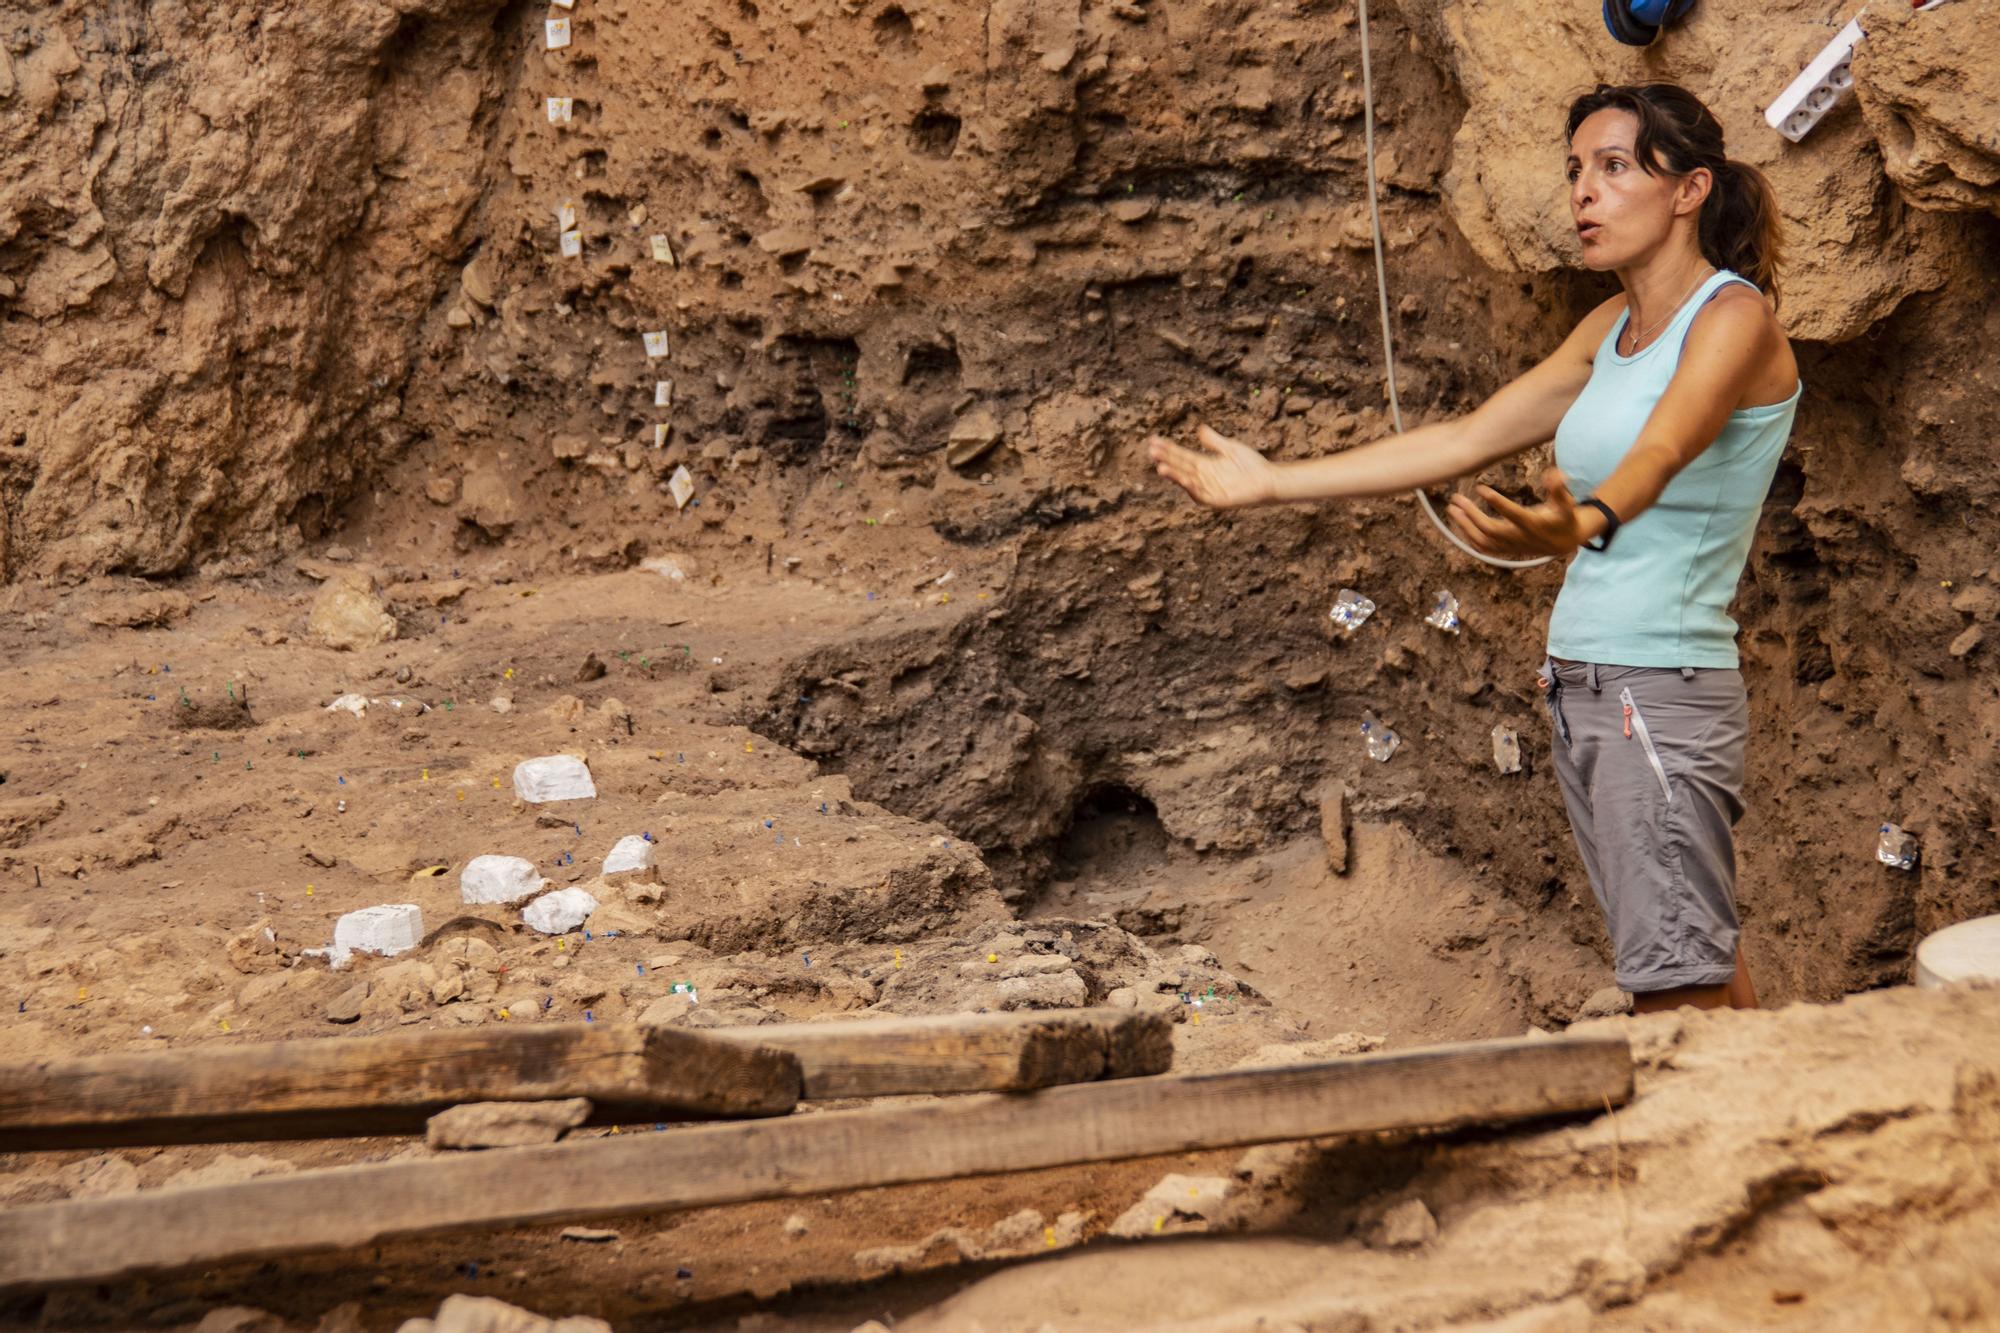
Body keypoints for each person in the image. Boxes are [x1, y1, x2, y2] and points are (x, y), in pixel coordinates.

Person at [1145, 82, 1800, 1015]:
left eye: (1614, 167)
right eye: (1576, 169)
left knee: (1674, 986)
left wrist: (1586, 520)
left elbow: (1666, 446)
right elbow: (1464, 438)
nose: (1583, 191)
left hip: (1655, 688)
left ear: (1690, 189)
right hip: (1589, 687)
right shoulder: (1609, 331)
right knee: (1690, 948)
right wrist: (1276, 480)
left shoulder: (1733, 318)